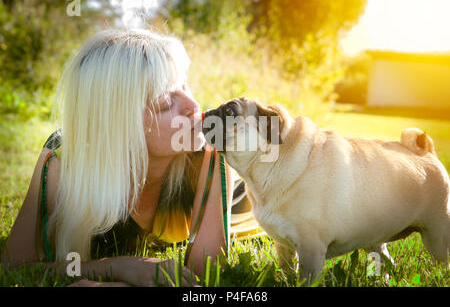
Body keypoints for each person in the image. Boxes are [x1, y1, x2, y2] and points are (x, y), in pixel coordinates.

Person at [0, 28, 261, 287]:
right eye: (165, 103)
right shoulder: (62, 161)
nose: (193, 105)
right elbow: (16, 268)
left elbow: (202, 278)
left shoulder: (212, 150)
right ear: (118, 126)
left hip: (245, 214)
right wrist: (116, 268)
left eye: (184, 85)